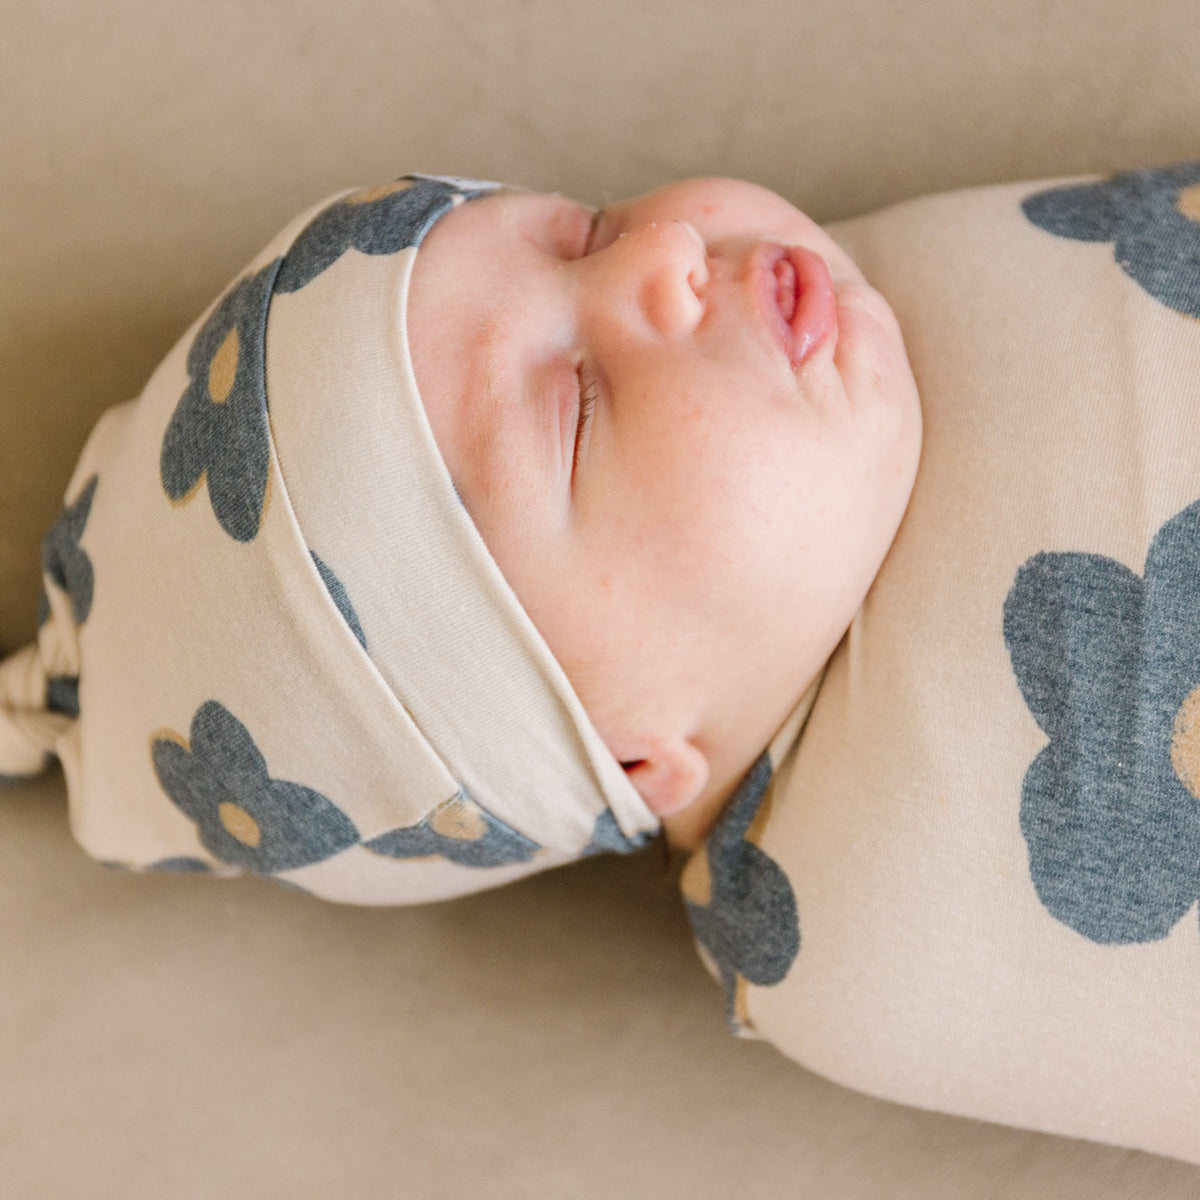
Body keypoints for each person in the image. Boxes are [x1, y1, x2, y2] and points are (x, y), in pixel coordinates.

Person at [0, 171, 920, 901]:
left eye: (587, 229)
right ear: (633, 762)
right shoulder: (852, 926)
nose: (664, 250)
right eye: (580, 410)